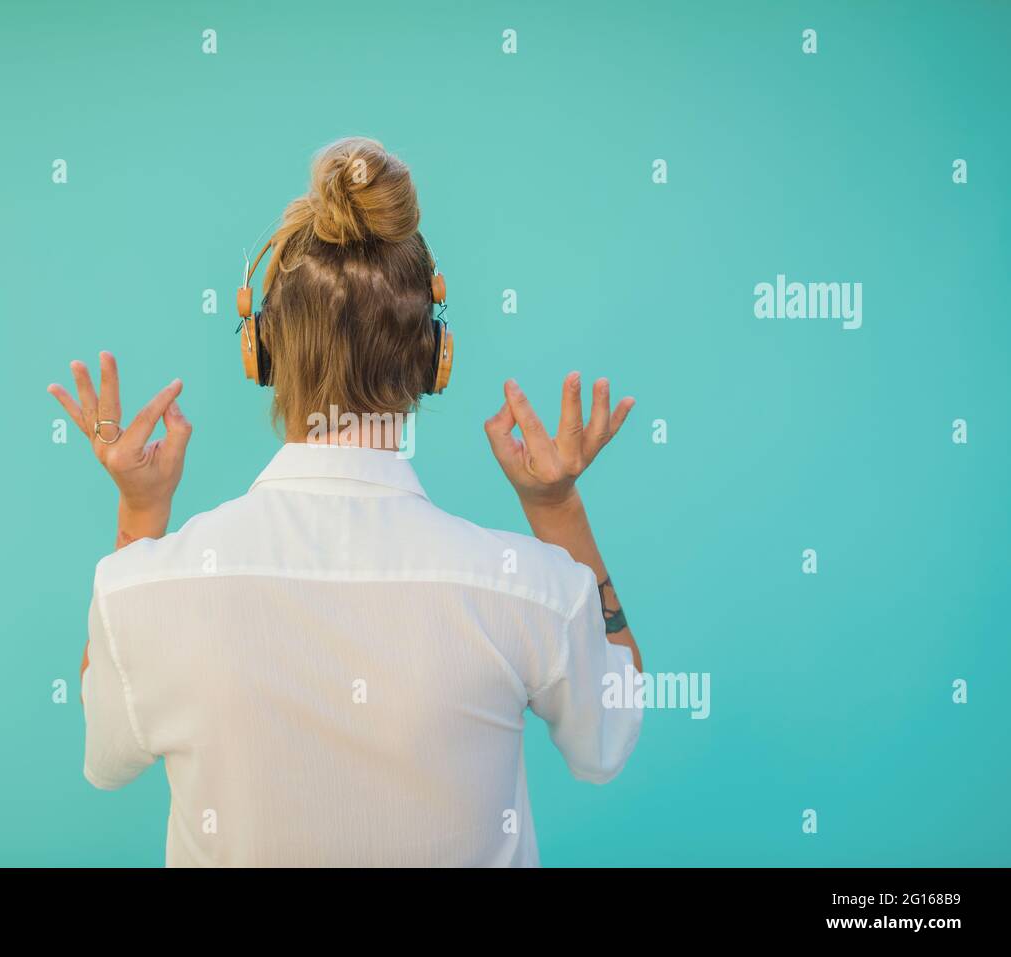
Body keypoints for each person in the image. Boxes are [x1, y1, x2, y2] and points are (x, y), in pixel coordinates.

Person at [47, 137, 643, 867]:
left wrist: (139, 516)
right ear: (432, 359)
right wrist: (558, 510)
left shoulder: (146, 587)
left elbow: (107, 752)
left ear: (261, 350)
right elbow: (609, 736)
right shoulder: (524, 588)